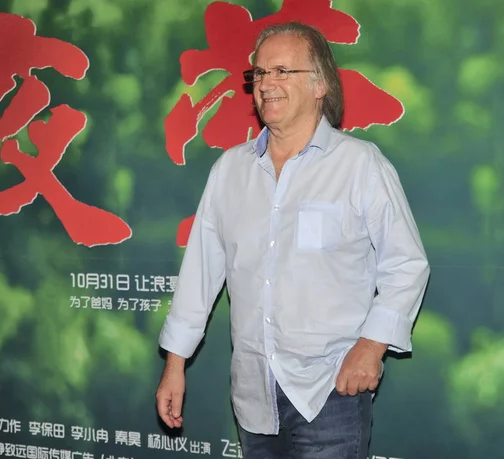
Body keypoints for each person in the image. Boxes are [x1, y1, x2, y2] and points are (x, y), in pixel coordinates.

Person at [156, 21, 430, 459]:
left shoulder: (359, 165)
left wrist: (372, 346)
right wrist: (174, 366)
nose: (267, 84)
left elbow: (407, 265)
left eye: (283, 71)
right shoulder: (230, 170)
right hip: (252, 397)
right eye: (260, 74)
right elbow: (200, 275)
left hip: (330, 393)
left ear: (320, 84)